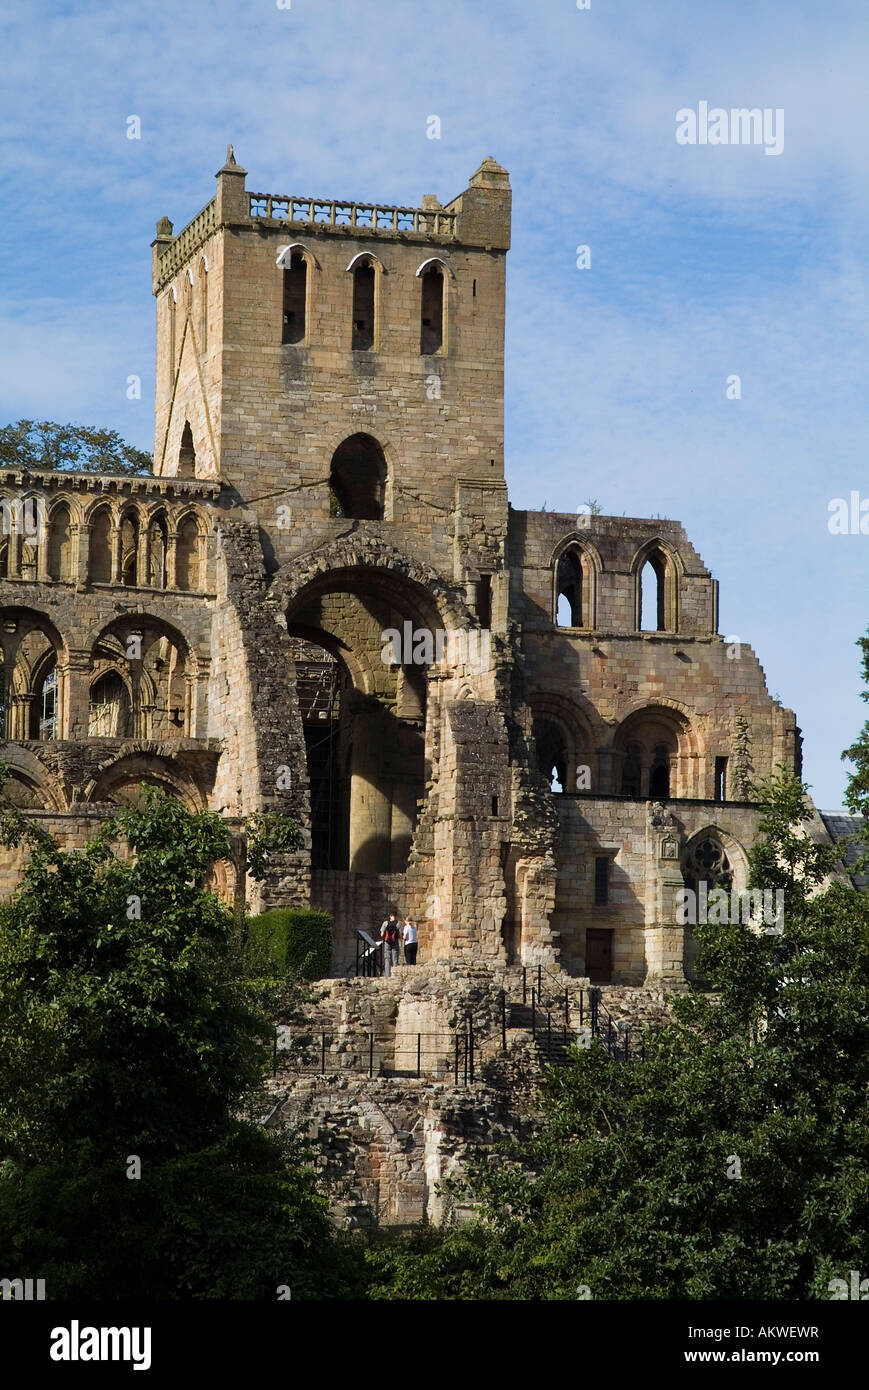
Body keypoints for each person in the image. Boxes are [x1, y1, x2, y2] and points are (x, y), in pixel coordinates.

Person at [380, 912, 400, 977]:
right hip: (395, 942)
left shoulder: (385, 923)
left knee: (387, 958)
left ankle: (387, 975)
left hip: (387, 942)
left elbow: (382, 934)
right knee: (395, 958)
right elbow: (400, 935)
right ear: (396, 916)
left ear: (390, 916)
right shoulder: (398, 923)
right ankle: (395, 975)